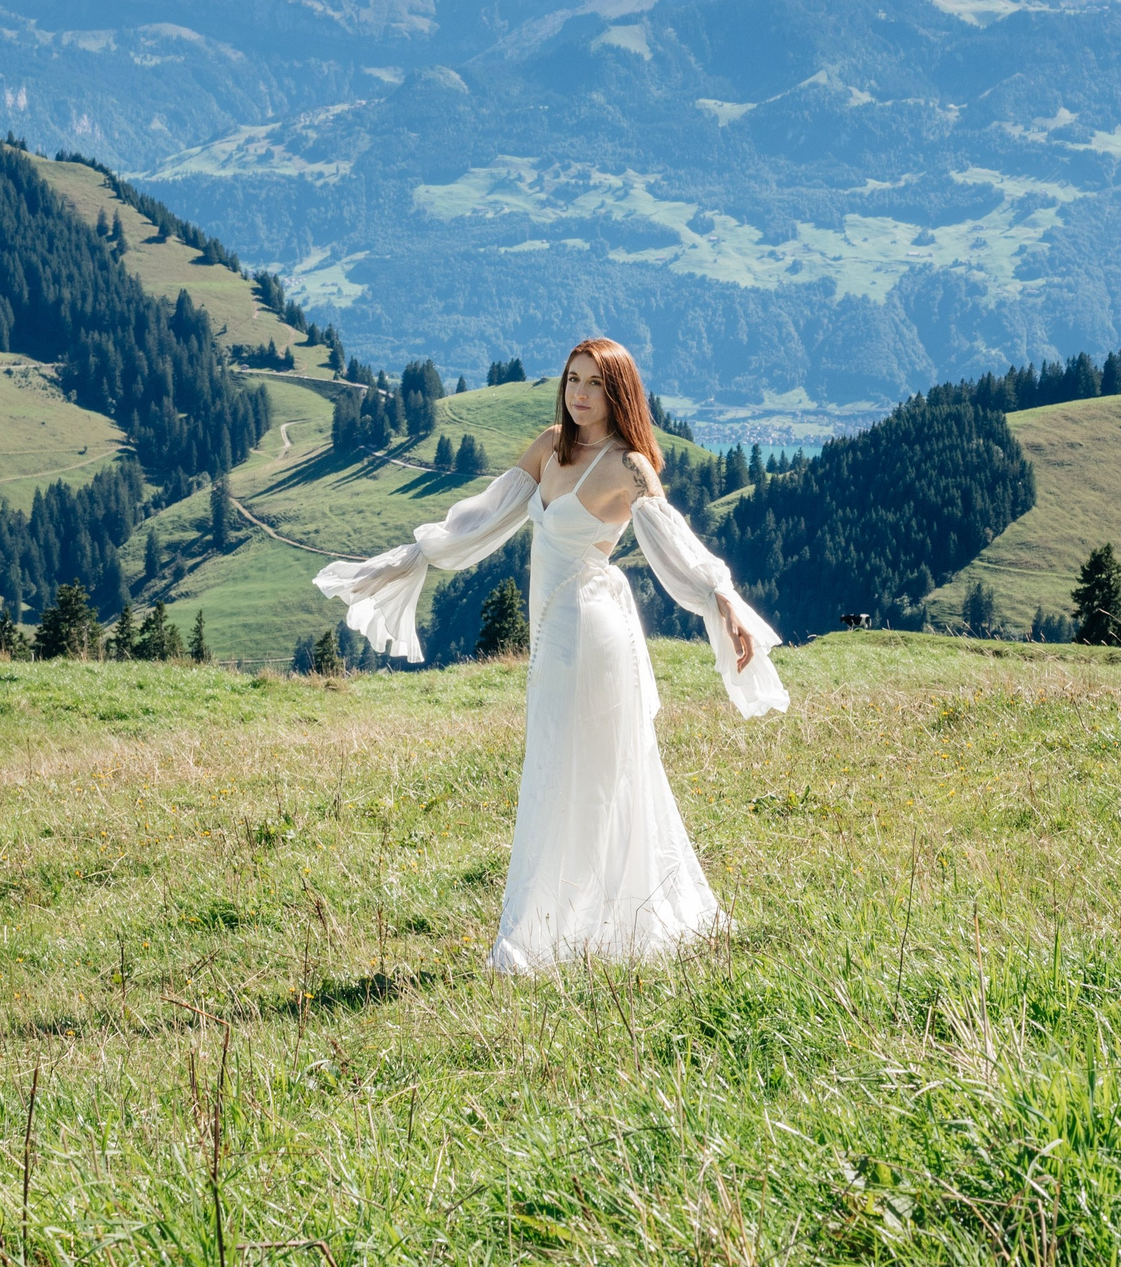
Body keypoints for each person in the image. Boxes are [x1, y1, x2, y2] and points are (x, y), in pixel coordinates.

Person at [313, 337, 788, 973]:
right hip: (555, 630)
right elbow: (484, 518)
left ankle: (550, 934)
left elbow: (676, 544)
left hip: (589, 629)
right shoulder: (550, 445)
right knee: (561, 768)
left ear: (618, 392)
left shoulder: (630, 466)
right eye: (572, 380)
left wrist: (723, 601)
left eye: (594, 383)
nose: (580, 394)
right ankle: (573, 923)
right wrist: (413, 558)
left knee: (583, 772)